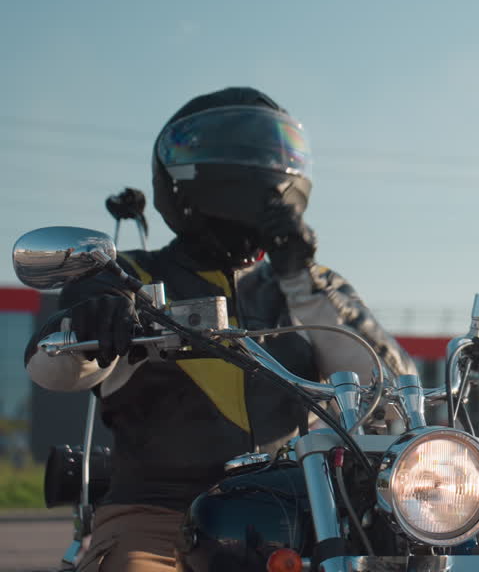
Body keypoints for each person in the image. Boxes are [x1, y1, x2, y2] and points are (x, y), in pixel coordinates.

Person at [24, 87, 416, 572]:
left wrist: (300, 277)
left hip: (301, 519)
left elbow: (392, 385)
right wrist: (92, 319)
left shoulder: (312, 285)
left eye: (271, 149)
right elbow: (52, 370)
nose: (259, 163)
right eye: (236, 148)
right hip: (157, 518)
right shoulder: (125, 276)